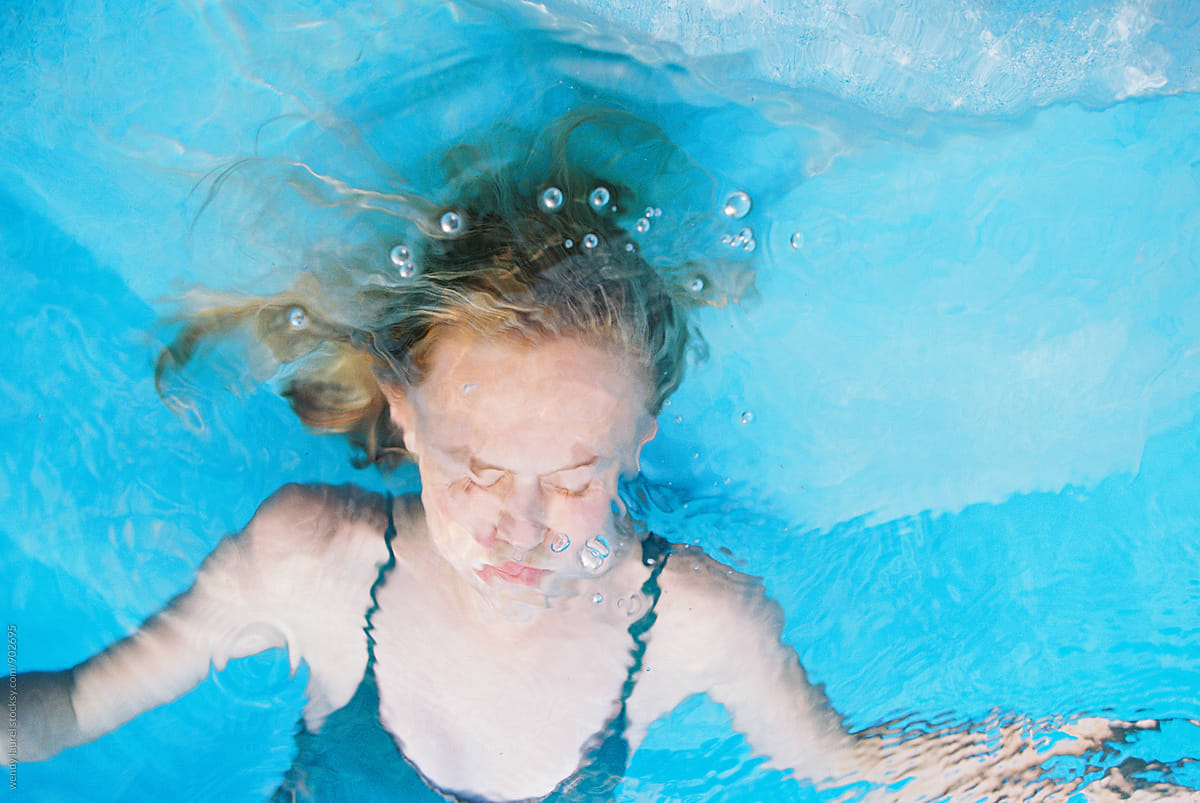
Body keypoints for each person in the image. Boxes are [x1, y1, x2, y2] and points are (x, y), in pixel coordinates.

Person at [7, 112, 1186, 802]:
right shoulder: (311, 561)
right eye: (474, 469)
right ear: (403, 414)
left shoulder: (694, 619)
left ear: (640, 441)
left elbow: (842, 760)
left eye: (573, 477)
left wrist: (1066, 774)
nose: (519, 524)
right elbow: (68, 705)